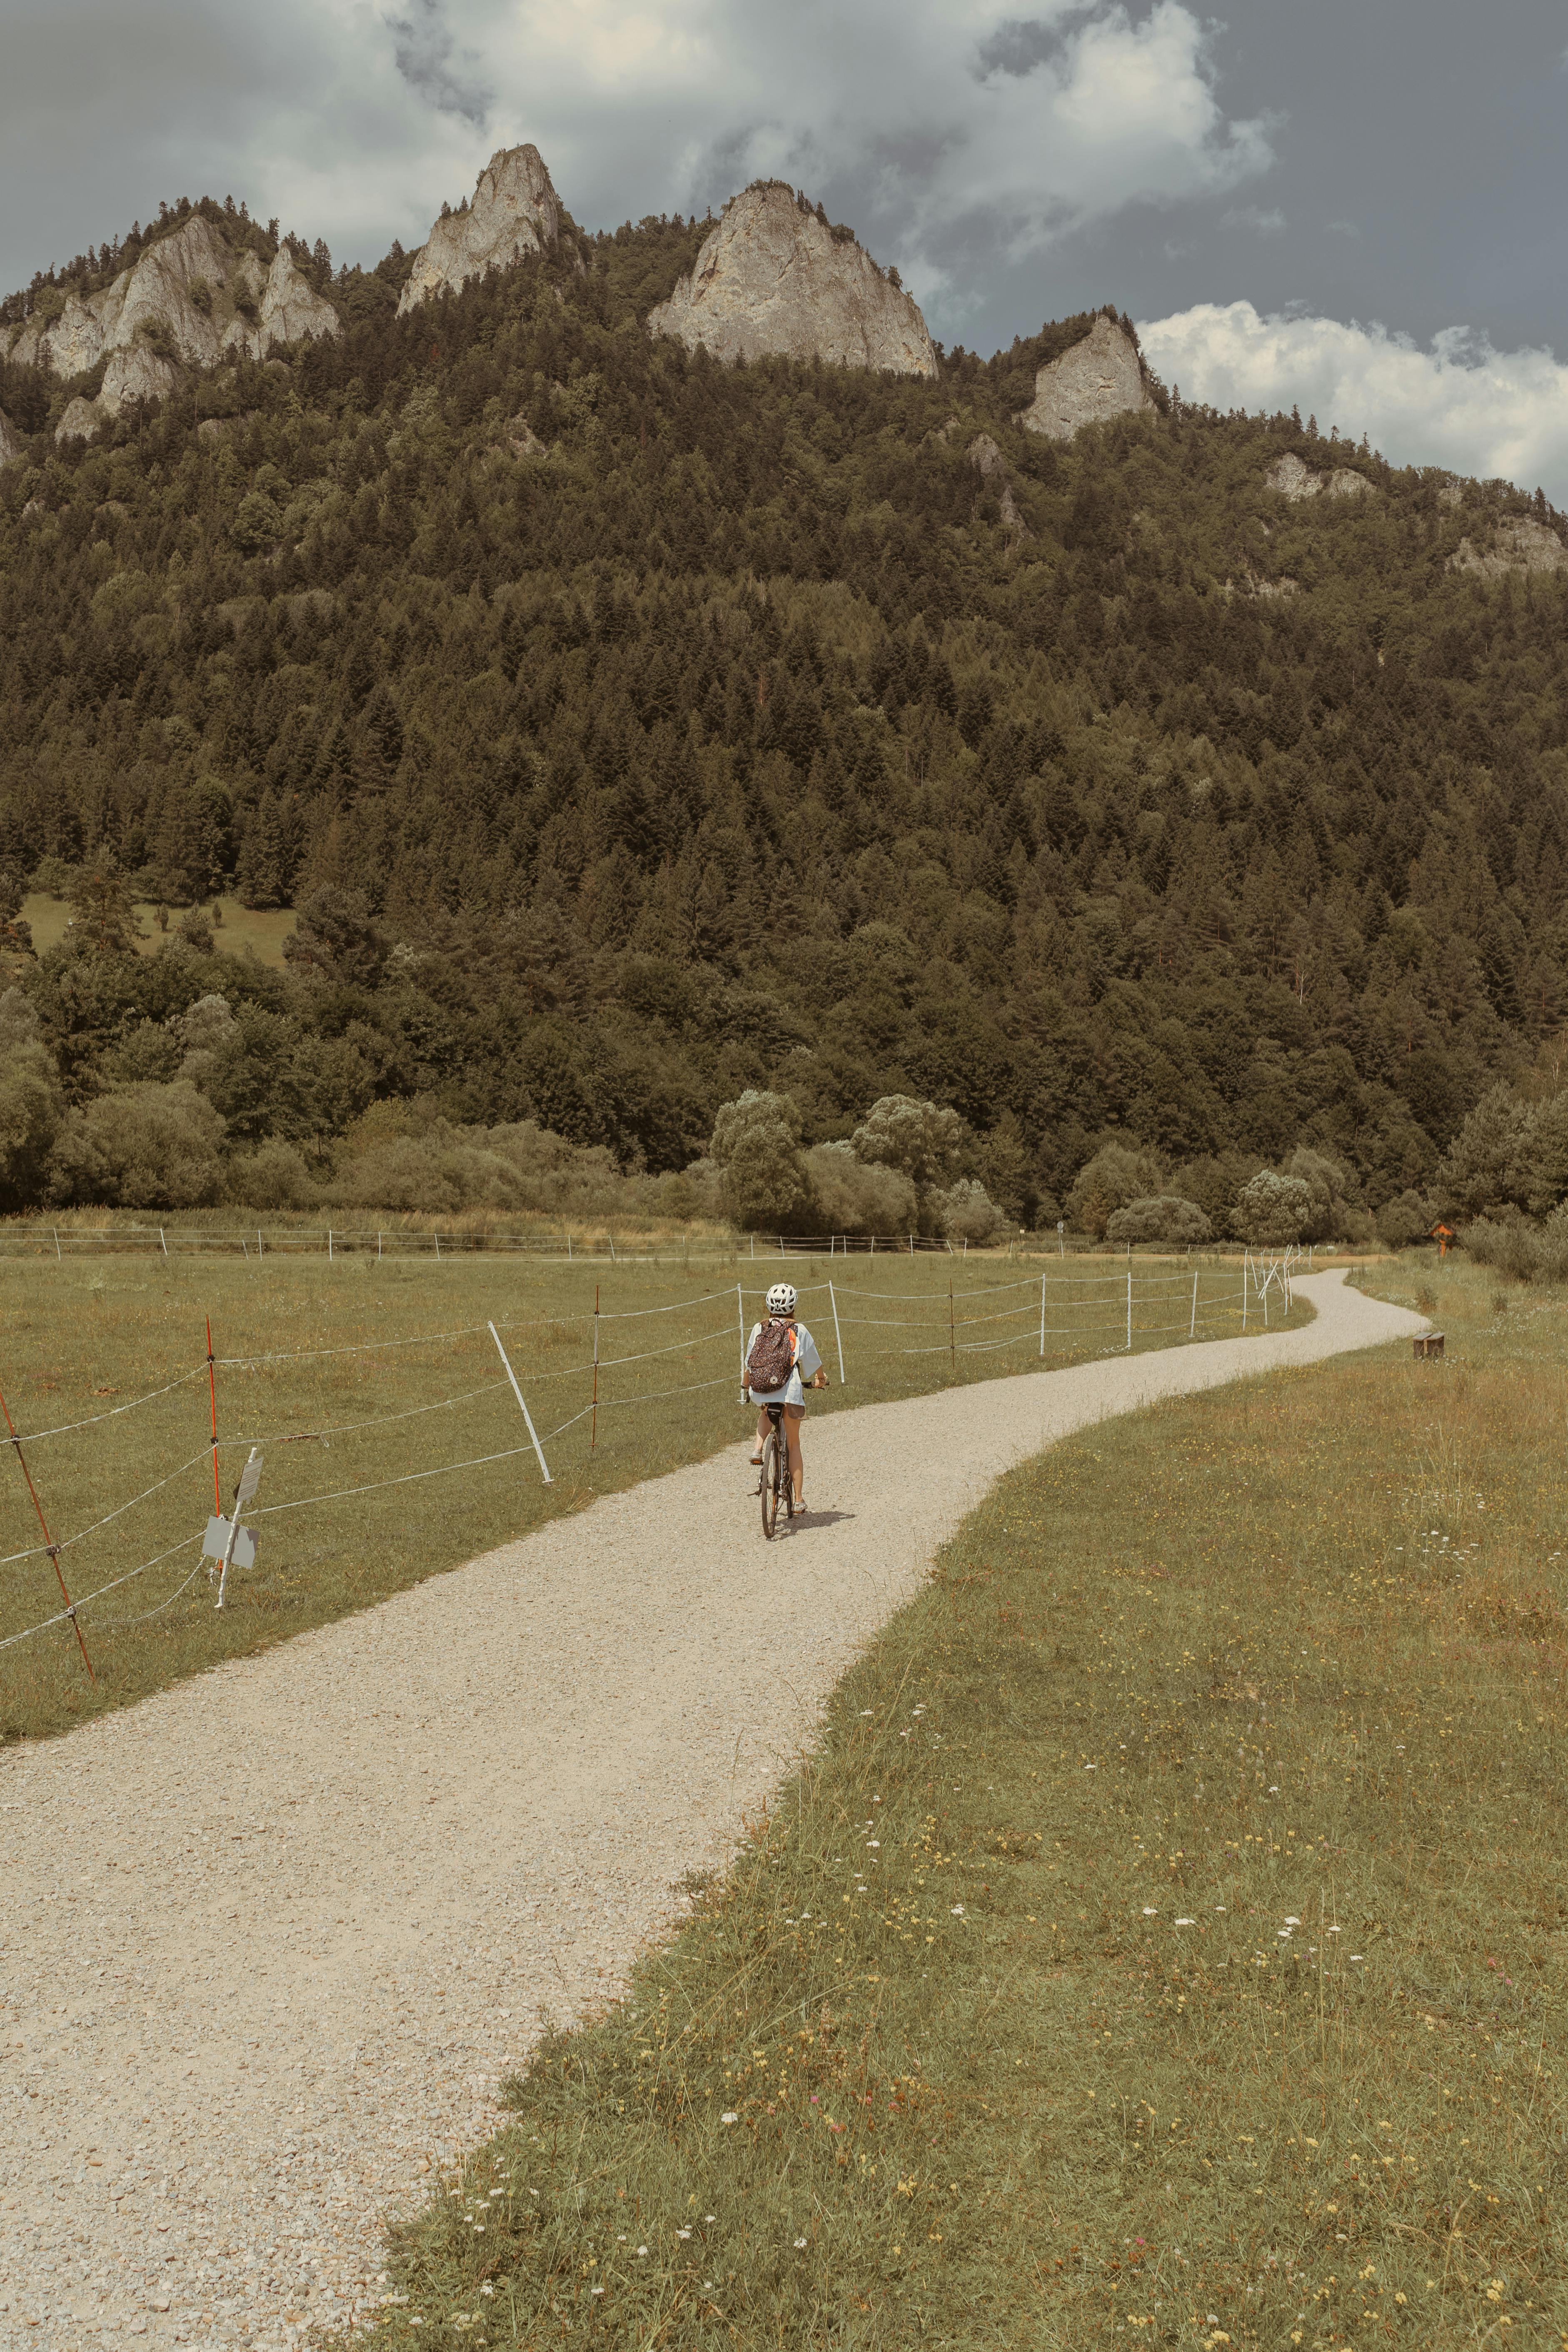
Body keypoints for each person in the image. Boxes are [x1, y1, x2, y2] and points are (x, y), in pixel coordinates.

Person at [745, 1282, 827, 1508]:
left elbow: (749, 1363)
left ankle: (758, 1449)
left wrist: (746, 1386)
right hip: (789, 1392)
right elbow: (813, 1362)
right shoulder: (799, 1330)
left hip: (761, 1389)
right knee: (794, 1444)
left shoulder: (759, 1328)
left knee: (765, 1411)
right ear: (794, 1306)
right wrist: (821, 1379)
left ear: (768, 1306)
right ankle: (799, 1500)